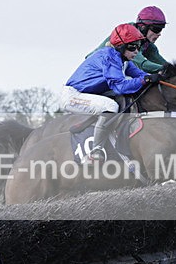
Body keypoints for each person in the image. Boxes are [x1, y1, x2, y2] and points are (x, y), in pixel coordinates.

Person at [61, 23, 161, 161]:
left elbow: (140, 75)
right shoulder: (109, 57)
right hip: (73, 96)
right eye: (132, 47)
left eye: (138, 47)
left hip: (91, 93)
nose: (137, 52)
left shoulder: (123, 59)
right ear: (120, 46)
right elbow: (120, 86)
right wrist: (145, 80)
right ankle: (96, 150)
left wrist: (157, 78)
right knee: (110, 106)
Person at [88, 6, 170, 73]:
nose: (159, 34)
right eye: (157, 29)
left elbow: (163, 64)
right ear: (143, 27)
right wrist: (170, 70)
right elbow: (142, 64)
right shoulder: (129, 35)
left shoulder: (147, 43)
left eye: (161, 29)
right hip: (94, 69)